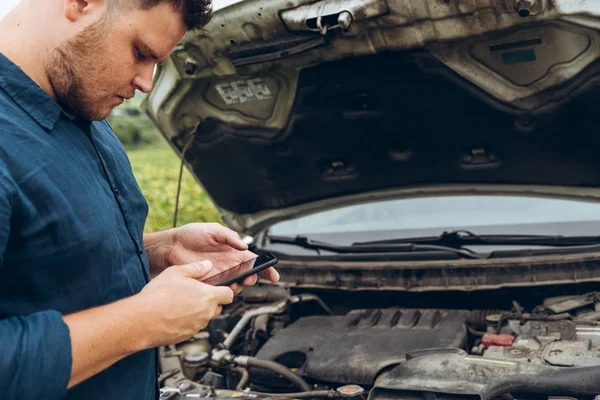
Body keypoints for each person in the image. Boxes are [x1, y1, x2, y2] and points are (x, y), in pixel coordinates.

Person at [0, 1, 280, 399]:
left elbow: (43, 261)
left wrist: (161, 250)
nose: (147, 83)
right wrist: (141, 322)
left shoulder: (86, 113)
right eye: (140, 52)